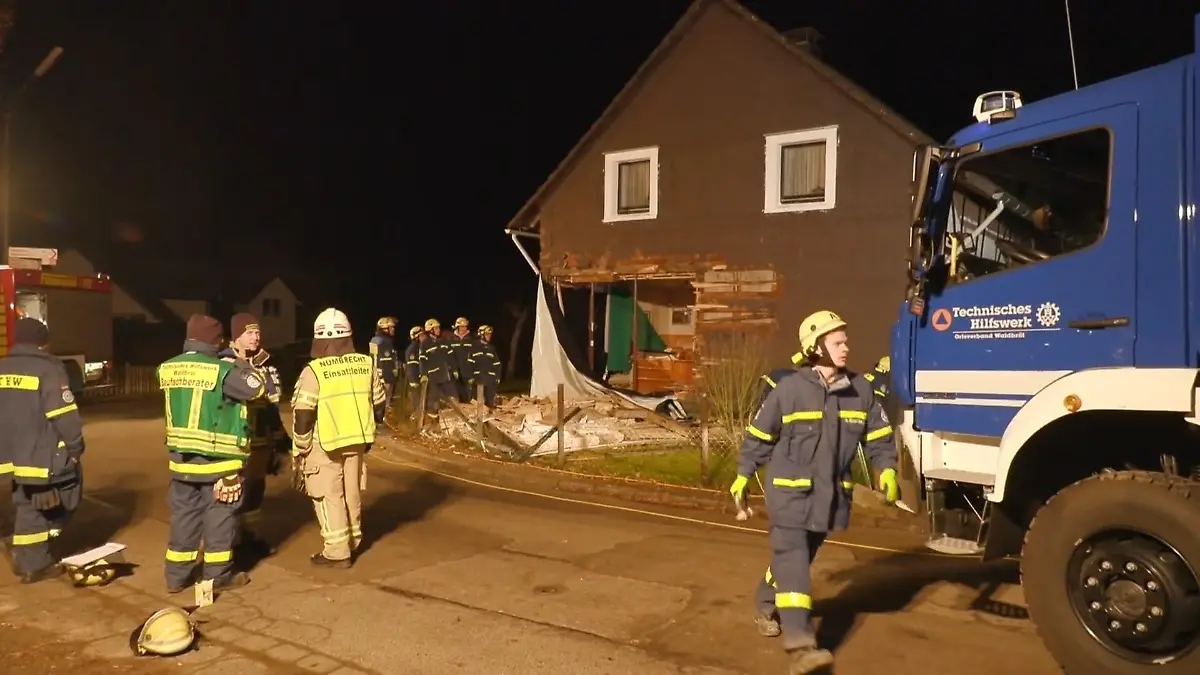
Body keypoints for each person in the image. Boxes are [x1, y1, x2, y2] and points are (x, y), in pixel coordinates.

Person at [731, 310, 898, 674]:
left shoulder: (861, 391)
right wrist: (744, 474)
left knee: (798, 560)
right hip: (788, 495)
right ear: (815, 348)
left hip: (829, 498)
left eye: (845, 340)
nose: (846, 347)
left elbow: (879, 437)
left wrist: (886, 468)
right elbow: (759, 436)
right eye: (837, 342)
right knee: (794, 564)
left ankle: (763, 602)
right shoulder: (789, 391)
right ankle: (802, 647)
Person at [159, 314, 266, 593]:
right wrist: (243, 364)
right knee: (219, 518)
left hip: (182, 463)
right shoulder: (221, 370)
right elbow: (256, 389)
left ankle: (176, 577)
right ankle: (217, 577)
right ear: (217, 341)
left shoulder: (167, 367)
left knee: (184, 518)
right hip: (219, 463)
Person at [291, 308, 388, 567]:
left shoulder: (315, 370)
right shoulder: (366, 364)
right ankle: (354, 540)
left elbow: (303, 413)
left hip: (326, 444)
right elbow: (379, 404)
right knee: (351, 491)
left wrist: (301, 447)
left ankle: (337, 551)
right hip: (357, 441)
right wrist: (369, 430)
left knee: (327, 494)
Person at [0, 317, 86, 584]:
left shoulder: (2, 367)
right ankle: (34, 563)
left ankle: (24, 553)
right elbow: (63, 413)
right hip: (40, 454)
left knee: (25, 502)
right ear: (43, 343)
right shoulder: (49, 369)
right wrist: (75, 446)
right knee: (63, 497)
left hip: (9, 456)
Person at [219, 313, 286, 563]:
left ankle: (249, 539)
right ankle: (226, 546)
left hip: (259, 444)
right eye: (249, 332)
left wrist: (280, 441)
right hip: (232, 445)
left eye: (257, 332)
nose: (255, 337)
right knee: (231, 495)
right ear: (236, 336)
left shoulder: (266, 365)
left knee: (255, 493)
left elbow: (272, 406)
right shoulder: (224, 365)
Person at [418, 318, 456, 414]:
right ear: (430, 330)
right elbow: (423, 361)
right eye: (436, 328)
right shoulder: (425, 344)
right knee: (433, 401)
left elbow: (451, 356)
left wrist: (454, 369)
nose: (439, 330)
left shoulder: (444, 342)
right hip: (434, 377)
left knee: (453, 398)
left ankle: (454, 421)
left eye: (439, 328)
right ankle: (432, 422)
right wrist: (423, 374)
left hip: (447, 376)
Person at [467, 324, 502, 408]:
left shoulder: (491, 348)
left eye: (490, 335)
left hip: (490, 380)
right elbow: (469, 364)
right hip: (478, 379)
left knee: (490, 403)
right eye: (487, 334)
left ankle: (489, 419)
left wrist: (497, 376)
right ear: (481, 335)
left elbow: (497, 364)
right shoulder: (474, 348)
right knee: (476, 402)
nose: (489, 336)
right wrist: (470, 377)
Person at [370, 317, 400, 408]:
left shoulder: (380, 340)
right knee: (384, 402)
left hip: (383, 376)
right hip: (384, 377)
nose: (393, 329)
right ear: (385, 329)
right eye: (391, 327)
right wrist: (386, 378)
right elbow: (381, 361)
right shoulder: (382, 342)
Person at [448, 317, 475, 402]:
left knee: (469, 392)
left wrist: (473, 369)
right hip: (455, 370)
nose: (463, 328)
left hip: (468, 370)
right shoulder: (451, 339)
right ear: (457, 327)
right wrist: (453, 368)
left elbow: (474, 355)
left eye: (465, 326)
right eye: (461, 326)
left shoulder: (471, 339)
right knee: (456, 392)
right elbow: (449, 355)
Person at [403, 326, 423, 415]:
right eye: (421, 335)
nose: (424, 337)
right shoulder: (413, 349)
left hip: (420, 379)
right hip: (415, 380)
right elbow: (412, 366)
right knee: (417, 402)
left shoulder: (419, 347)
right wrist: (414, 380)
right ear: (416, 337)